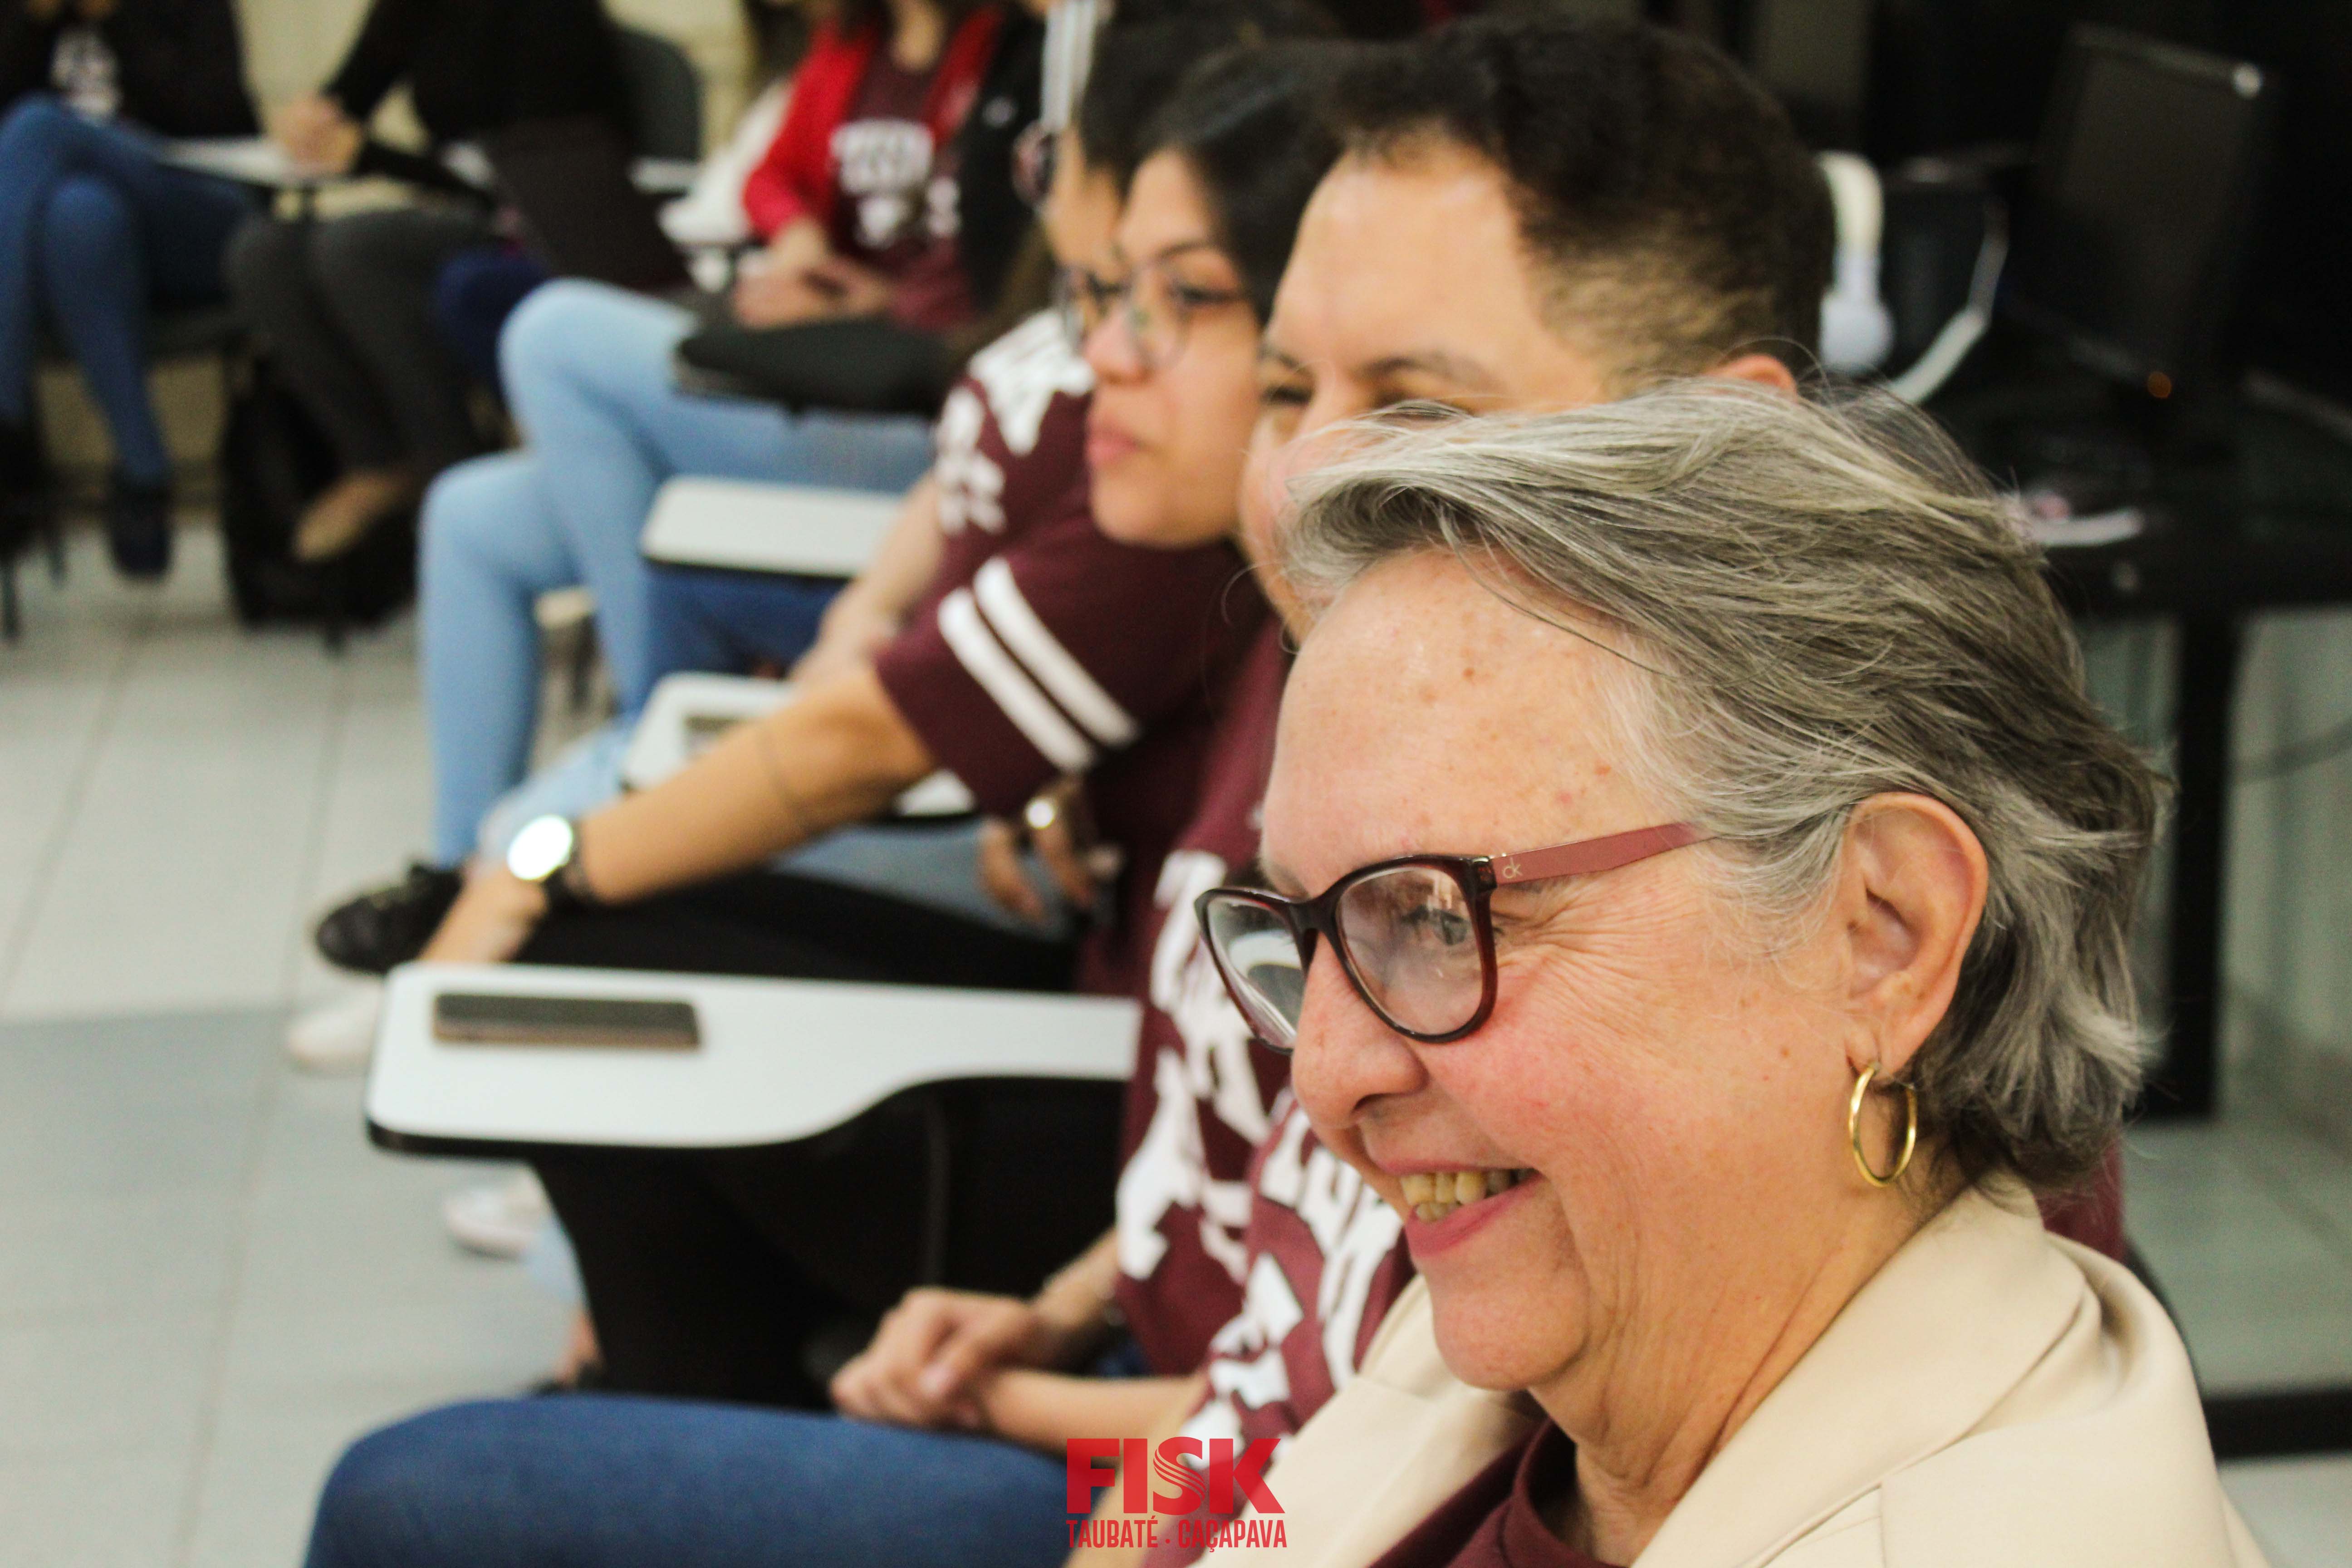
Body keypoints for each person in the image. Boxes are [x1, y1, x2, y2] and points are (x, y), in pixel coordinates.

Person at [301, 39, 1346, 1568]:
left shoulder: (1388, 788)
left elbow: (1305, 1449)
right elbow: (1214, 1200)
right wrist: (1043, 1321)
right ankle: (665, 1396)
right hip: (1121, 1353)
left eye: (1177, 303)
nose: (1105, 354)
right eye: (1105, 295)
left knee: (409, 1497)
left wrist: (1012, 1410)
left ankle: (670, 1410)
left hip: (1204, 1487)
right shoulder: (1274, 634)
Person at [1193, 383, 2250, 1568]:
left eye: (1438, 919)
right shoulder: (1544, 1320)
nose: (1325, 1077)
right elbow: (1223, 1473)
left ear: (1884, 936)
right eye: (1305, 931)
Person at [352, 0, 1024, 935]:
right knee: (472, 518)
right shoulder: (854, 49)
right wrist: (803, 247)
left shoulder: (1010, 52)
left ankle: (647, 725)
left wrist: (874, 303)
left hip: (906, 413)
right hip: (816, 365)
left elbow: (1012, 292)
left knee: (556, 334)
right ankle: (450, 876)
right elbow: (774, 179)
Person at [223, 0, 633, 564]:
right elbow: (351, 93)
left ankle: (450, 461)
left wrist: (371, 156)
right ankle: (376, 456)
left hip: (533, 221)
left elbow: (533, 167)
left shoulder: (553, 15)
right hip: (452, 204)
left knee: (357, 253)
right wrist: (314, 121)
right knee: (262, 254)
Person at [0, 0, 257, 578]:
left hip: (193, 215)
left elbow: (217, 114)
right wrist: (31, 28)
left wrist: (118, 19)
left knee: (39, 124)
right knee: (80, 217)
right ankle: (143, 470)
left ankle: (5, 412)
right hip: (81, 244)